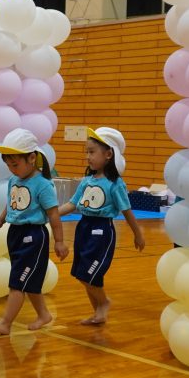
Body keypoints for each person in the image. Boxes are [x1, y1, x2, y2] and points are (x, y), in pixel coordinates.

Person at [55, 127, 145, 325]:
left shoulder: (115, 183)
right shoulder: (86, 181)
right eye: (86, 152)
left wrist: (138, 234)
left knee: (89, 273)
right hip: (83, 229)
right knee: (81, 274)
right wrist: (51, 214)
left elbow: (126, 210)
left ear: (108, 154)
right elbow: (72, 204)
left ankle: (104, 303)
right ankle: (97, 313)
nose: (88, 157)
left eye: (92, 152)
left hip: (102, 232)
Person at [0, 129, 68, 335]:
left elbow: (54, 214)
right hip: (15, 234)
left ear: (32, 158)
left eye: (15, 164)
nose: (12, 170)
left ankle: (5, 323)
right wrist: (0, 221)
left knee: (18, 282)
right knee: (28, 280)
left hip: (34, 236)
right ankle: (44, 315)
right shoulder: (14, 181)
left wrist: (59, 241)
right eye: (8, 165)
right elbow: (11, 204)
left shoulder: (43, 184)